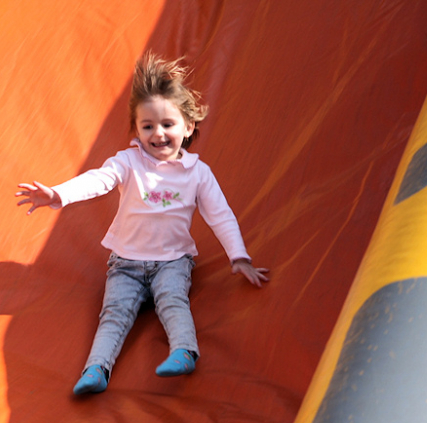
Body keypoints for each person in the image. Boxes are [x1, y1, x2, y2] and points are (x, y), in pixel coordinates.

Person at [16, 52, 268, 395]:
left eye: (168, 124)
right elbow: (99, 180)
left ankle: (183, 351)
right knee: (114, 314)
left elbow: (220, 214)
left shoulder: (198, 173)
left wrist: (238, 256)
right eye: (147, 126)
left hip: (173, 261)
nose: (158, 134)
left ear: (188, 126)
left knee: (172, 300)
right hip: (126, 264)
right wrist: (58, 195)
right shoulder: (128, 162)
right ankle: (96, 369)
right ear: (136, 129)